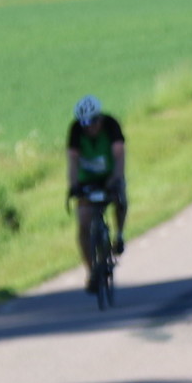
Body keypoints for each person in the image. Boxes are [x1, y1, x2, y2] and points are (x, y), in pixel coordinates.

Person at [66, 96, 127, 290]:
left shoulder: (111, 125)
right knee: (83, 224)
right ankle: (92, 271)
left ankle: (119, 235)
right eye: (84, 123)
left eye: (92, 121)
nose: (88, 127)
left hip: (110, 174)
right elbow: (72, 160)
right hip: (87, 179)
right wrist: (73, 186)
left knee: (120, 200)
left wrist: (116, 179)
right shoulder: (76, 130)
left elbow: (119, 155)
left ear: (99, 118)